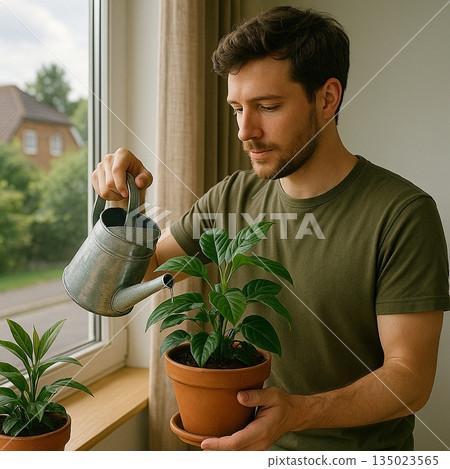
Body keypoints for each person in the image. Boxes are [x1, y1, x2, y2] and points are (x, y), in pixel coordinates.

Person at [92, 6, 449, 451]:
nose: (245, 131)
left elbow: (410, 379)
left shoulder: (403, 214)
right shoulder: (230, 198)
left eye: (267, 106)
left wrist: (298, 413)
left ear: (327, 98)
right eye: (237, 108)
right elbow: (127, 282)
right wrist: (123, 211)